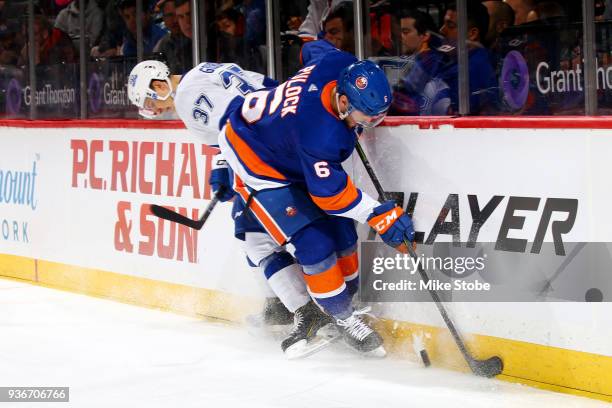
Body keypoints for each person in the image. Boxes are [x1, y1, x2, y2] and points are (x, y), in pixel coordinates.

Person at [126, 60, 333, 355]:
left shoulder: (186, 97)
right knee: (254, 233)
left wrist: (238, 166)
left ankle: (310, 312)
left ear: (158, 85)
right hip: (282, 137)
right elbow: (271, 88)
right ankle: (284, 305)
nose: (155, 108)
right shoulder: (205, 69)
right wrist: (224, 164)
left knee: (252, 235)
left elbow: (235, 122)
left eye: (149, 100)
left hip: (268, 153)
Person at [218, 51, 415, 355]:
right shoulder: (319, 133)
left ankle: (346, 301)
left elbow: (313, 50)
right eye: (368, 116)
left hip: (284, 142)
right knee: (315, 245)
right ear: (344, 102)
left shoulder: (337, 63)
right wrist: (378, 215)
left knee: (343, 233)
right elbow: (330, 195)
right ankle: (343, 317)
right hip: (257, 160)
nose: (372, 122)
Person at [391, 9, 451, 116]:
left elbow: (403, 96)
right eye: (399, 32)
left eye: (405, 32)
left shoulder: (429, 61)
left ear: (425, 36)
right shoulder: (417, 60)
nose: (400, 37)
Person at [153, 0, 192, 74]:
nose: (175, 20)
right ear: (163, 18)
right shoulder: (162, 45)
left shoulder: (198, 40)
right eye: (169, 15)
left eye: (177, 15)